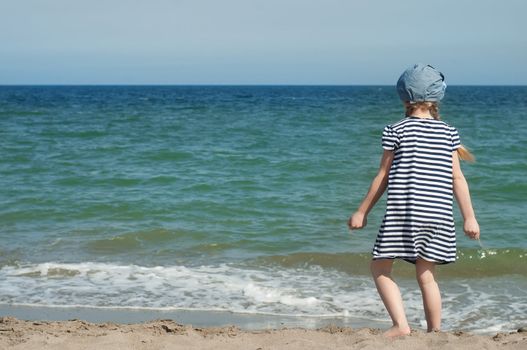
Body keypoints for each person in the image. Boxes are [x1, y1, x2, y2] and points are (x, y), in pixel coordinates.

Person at [348, 63, 480, 337]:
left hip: (404, 213)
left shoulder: (396, 130)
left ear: (404, 98)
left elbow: (382, 176)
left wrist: (362, 211)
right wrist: (469, 217)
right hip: (439, 216)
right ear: (436, 98)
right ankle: (435, 331)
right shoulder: (448, 132)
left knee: (380, 266)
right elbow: (458, 180)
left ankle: (401, 325)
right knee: (426, 274)